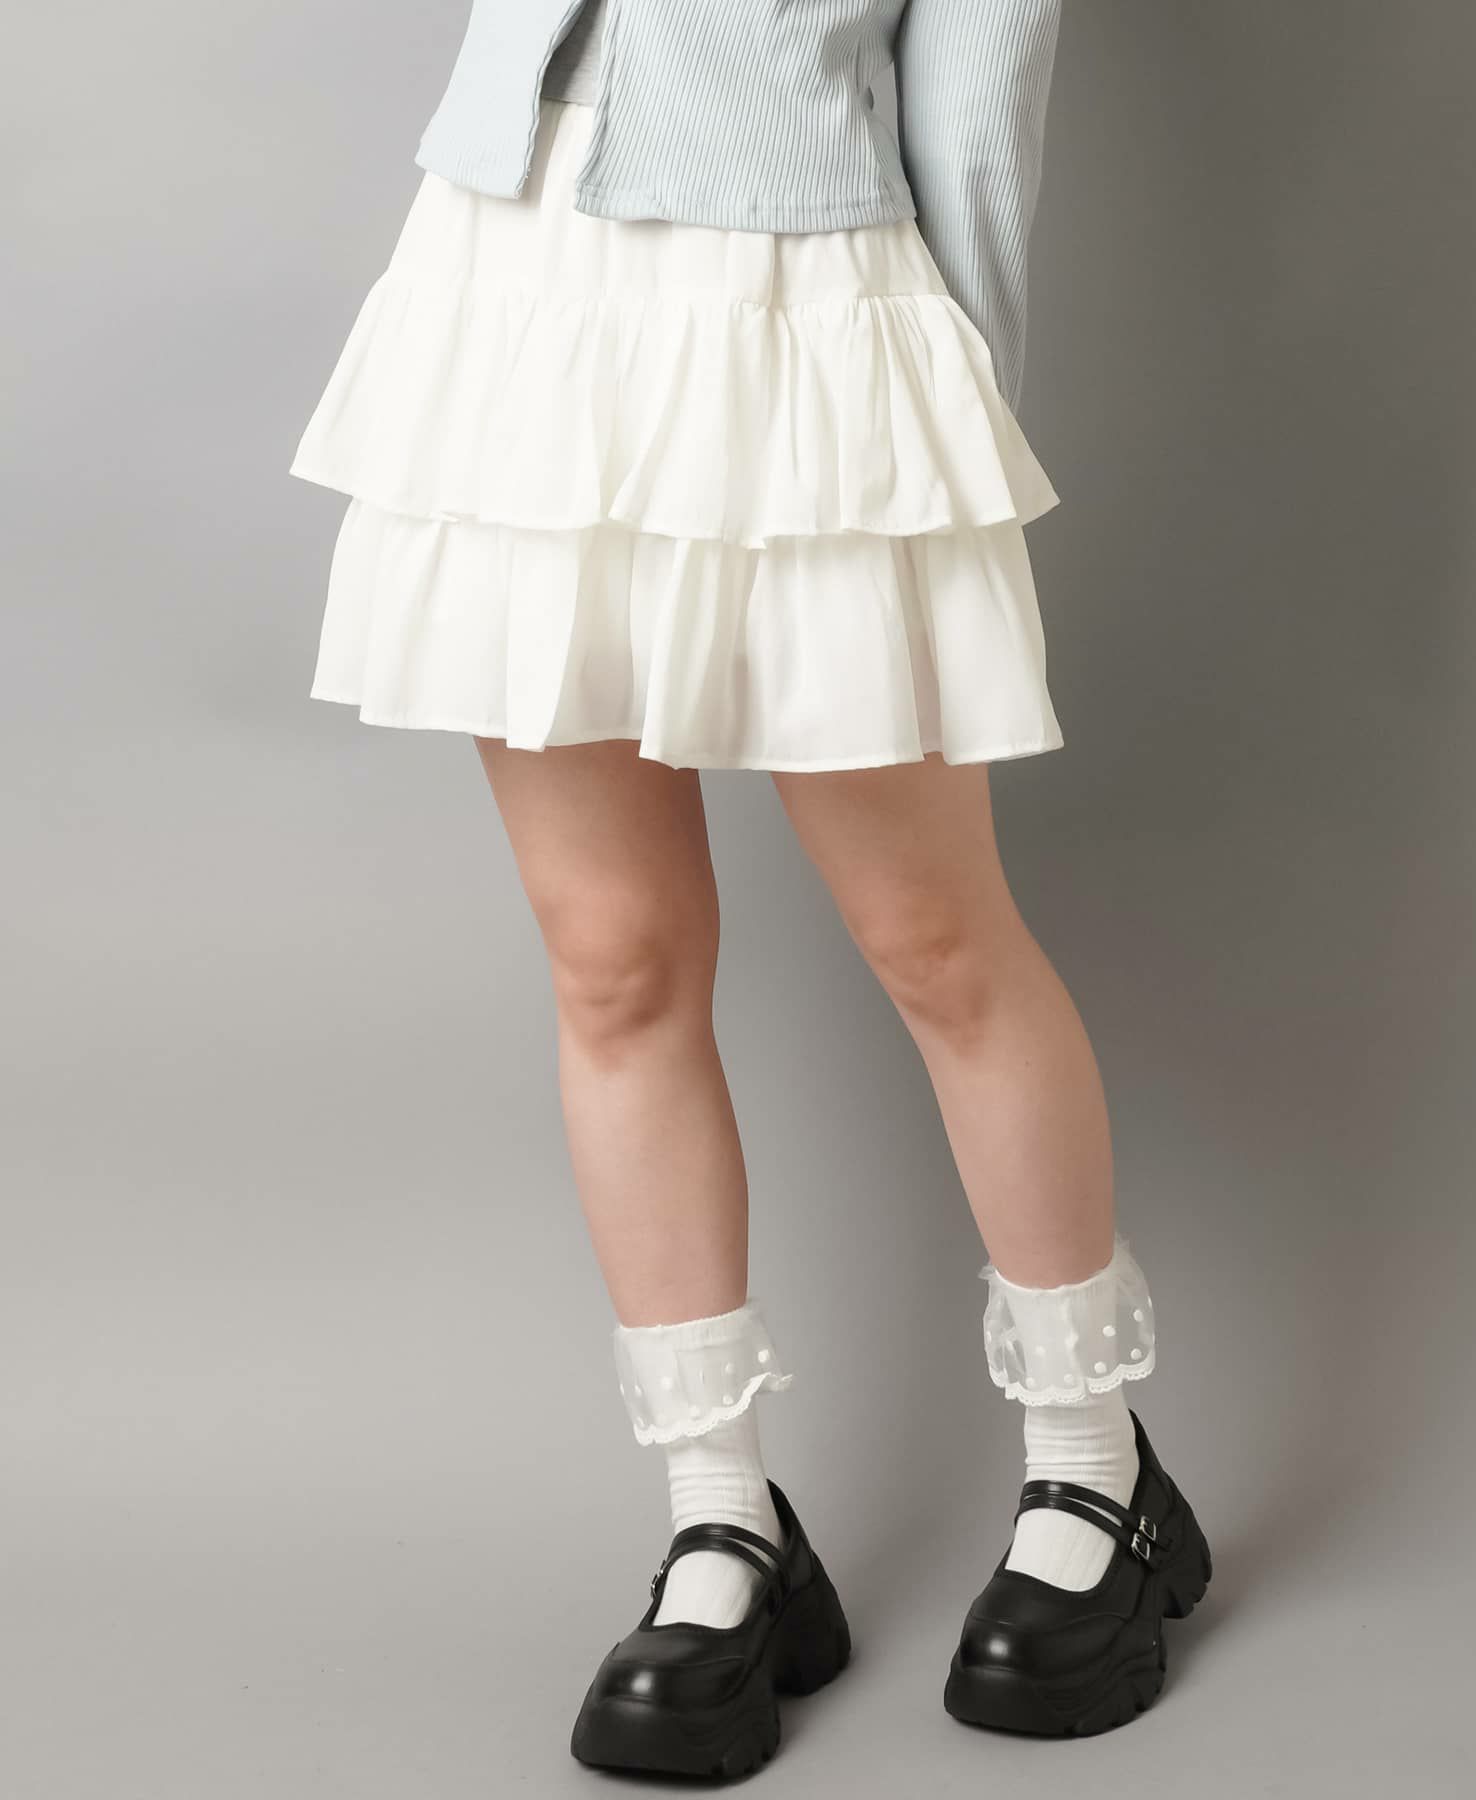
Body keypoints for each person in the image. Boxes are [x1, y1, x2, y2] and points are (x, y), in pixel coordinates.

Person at [290, 0, 1210, 1776]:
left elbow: (981, 104)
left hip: (805, 312)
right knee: (612, 959)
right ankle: (723, 1524)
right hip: (513, 277)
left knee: (935, 940)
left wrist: (942, 433)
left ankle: (1096, 1471)